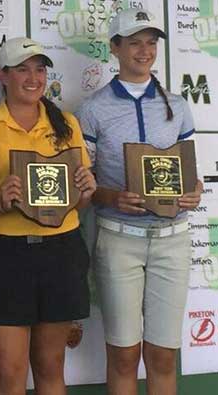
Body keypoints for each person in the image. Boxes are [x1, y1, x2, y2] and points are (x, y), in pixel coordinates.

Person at [75, 8, 202, 395]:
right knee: (124, 356)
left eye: (150, 42)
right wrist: (111, 195)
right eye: (134, 43)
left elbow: (185, 169)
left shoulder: (177, 105)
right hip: (119, 239)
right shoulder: (93, 108)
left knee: (163, 357)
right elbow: (83, 184)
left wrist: (194, 188)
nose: (144, 51)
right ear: (115, 48)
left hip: (173, 240)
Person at [0, 37, 96, 395]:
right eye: (22, 69)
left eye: (39, 69)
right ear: (2, 75)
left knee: (51, 367)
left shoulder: (66, 123)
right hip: (5, 255)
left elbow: (77, 204)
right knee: (10, 373)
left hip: (62, 252)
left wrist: (84, 193)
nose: (33, 77)